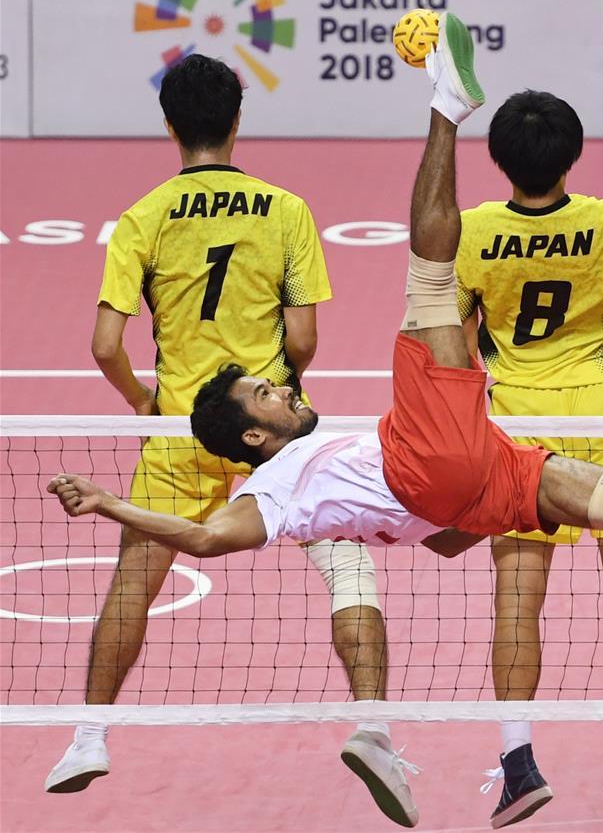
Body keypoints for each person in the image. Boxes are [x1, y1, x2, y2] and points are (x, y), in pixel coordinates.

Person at [48, 15, 603, 831]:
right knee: (426, 281)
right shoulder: (287, 464)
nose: (277, 389)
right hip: (459, 448)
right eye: (264, 395)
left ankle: (570, 719)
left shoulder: (153, 227)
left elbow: (434, 531)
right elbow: (300, 362)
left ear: (169, 123)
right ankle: (444, 108)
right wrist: (110, 497)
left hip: (470, 474)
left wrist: (143, 432)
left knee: (598, 535)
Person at [45, 54, 399, 826]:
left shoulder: (142, 217)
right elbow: (303, 337)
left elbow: (106, 343)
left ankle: (88, 736)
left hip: (180, 430)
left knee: (132, 582)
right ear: (239, 121)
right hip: (275, 431)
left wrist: (144, 399)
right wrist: (285, 389)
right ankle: (373, 725)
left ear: (169, 124)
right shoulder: (286, 209)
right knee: (348, 567)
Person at [456, 90, 603, 810]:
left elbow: (458, 346)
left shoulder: (475, 231)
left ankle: (519, 763)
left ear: (499, 160)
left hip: (522, 432)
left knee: (517, 599)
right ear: (572, 153)